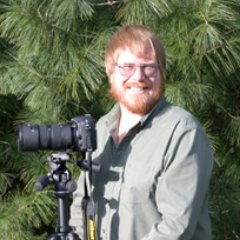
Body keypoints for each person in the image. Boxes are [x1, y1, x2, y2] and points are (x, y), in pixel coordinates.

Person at [69, 24, 214, 240]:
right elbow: (82, 203)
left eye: (149, 67)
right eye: (127, 67)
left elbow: (176, 229)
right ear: (110, 73)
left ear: (161, 74)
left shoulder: (181, 132)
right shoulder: (100, 129)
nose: (139, 76)